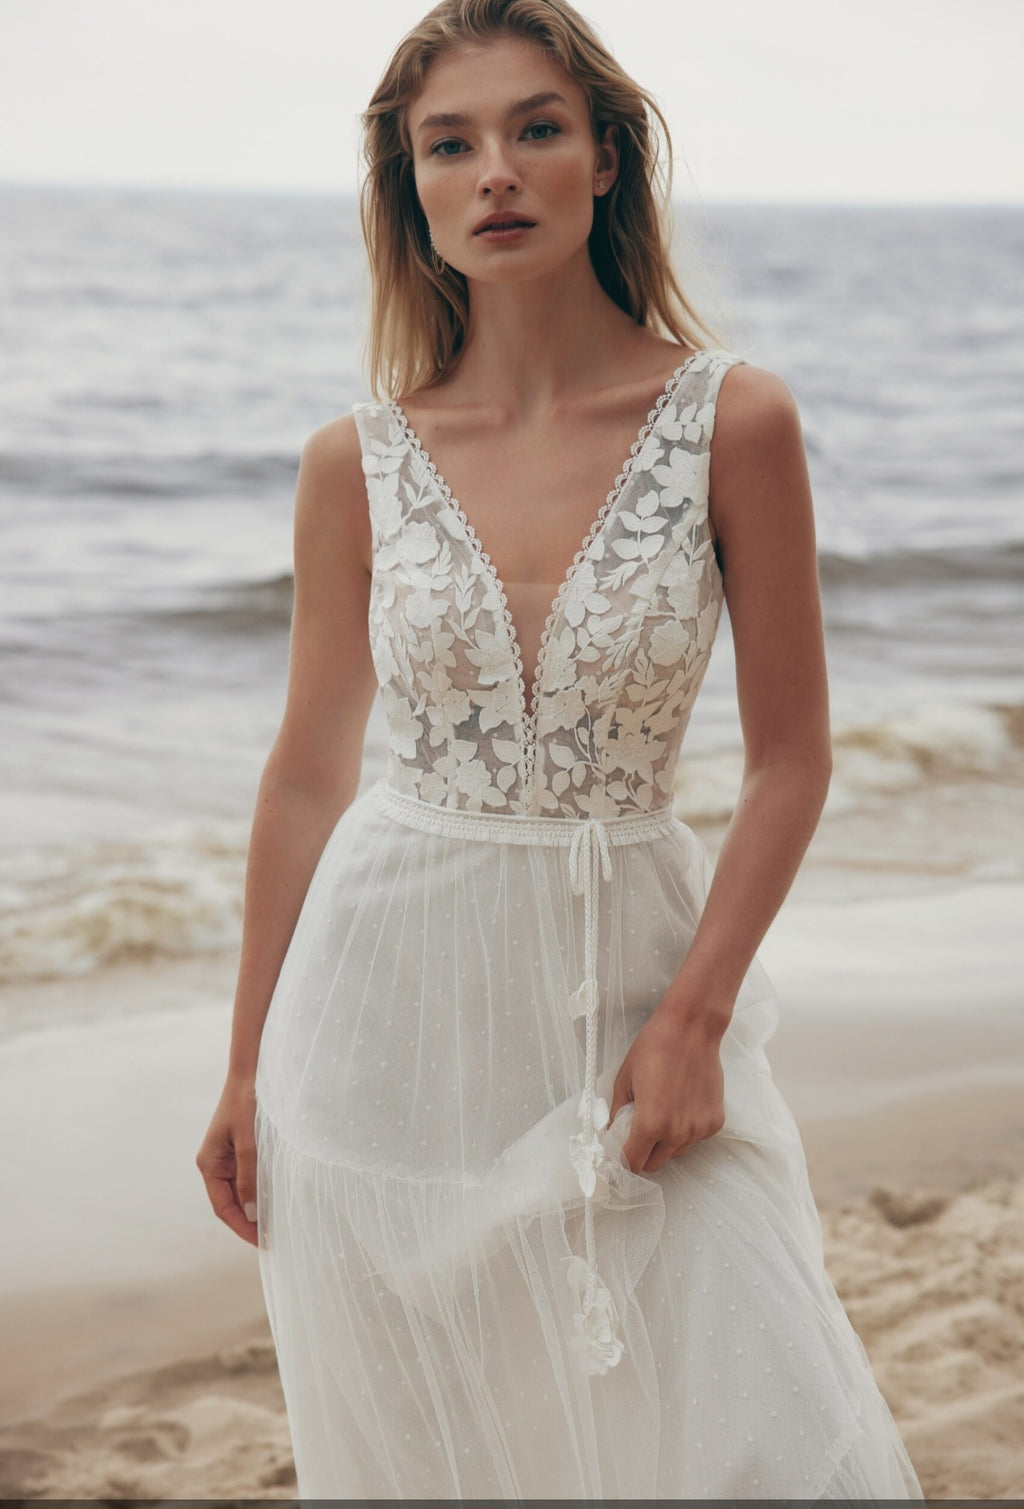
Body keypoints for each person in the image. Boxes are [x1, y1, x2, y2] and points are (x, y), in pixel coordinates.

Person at [196, 0, 924, 1496]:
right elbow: (308, 777)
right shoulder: (356, 461)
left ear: (606, 157)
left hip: (639, 992)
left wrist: (697, 1019)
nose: (496, 173)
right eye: (448, 145)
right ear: (410, 187)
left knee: (760, 1408)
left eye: (535, 128)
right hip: (382, 1030)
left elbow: (790, 760)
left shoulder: (733, 421)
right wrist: (245, 1067)